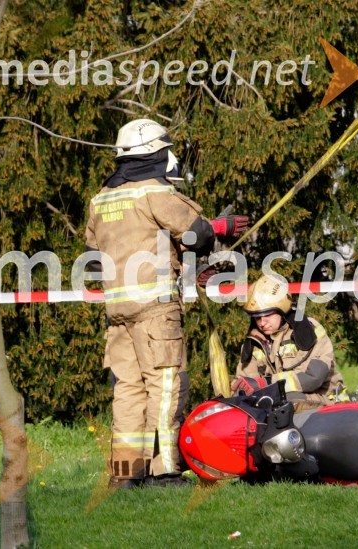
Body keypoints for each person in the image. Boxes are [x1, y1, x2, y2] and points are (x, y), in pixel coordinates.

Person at [85, 119, 249, 489]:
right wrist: (220, 227)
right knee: (166, 387)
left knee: (128, 390)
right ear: (155, 153)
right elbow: (198, 233)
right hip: (155, 309)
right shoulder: (154, 192)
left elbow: (93, 256)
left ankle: (126, 474)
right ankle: (166, 470)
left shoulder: (101, 199)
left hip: (117, 312)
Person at [232, 275, 348, 409]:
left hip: (327, 403)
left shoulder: (308, 331)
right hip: (281, 406)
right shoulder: (254, 341)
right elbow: (246, 381)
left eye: (268, 315)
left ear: (282, 309)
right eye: (257, 317)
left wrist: (267, 383)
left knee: (284, 401)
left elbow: (313, 378)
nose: (262, 323)